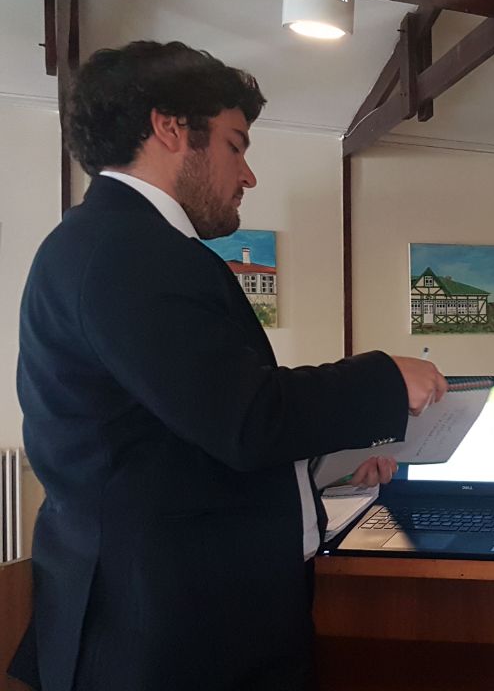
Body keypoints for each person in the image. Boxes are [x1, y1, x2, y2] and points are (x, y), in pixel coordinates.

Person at [11, 41, 448, 691]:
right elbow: (246, 419)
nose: (248, 175)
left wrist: (329, 469)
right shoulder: (133, 250)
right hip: (166, 636)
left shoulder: (100, 242)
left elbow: (176, 435)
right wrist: (384, 376)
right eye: (235, 145)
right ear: (169, 128)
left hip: (156, 615)